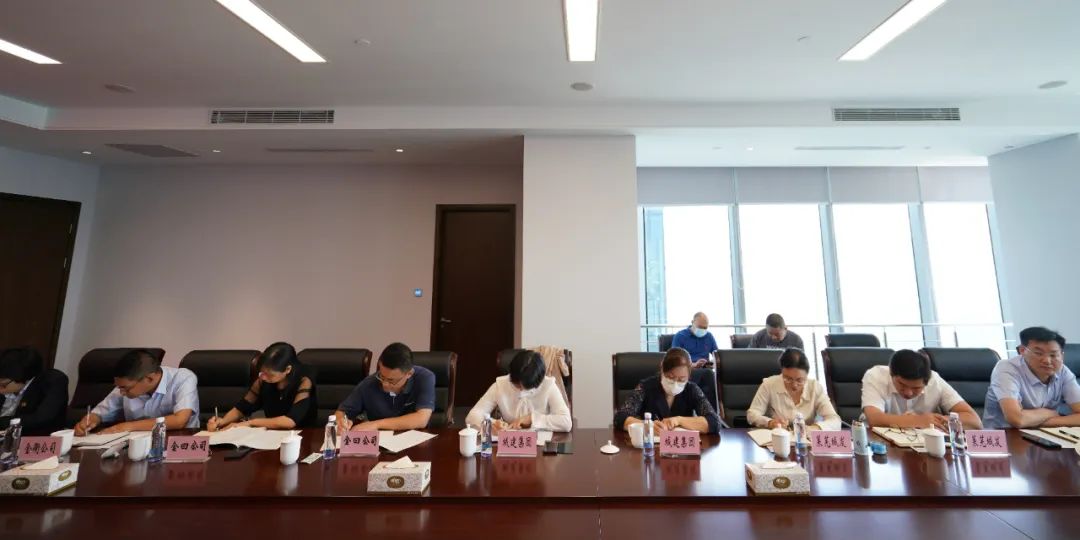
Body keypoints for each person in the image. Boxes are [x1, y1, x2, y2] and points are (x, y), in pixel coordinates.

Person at [75, 349, 200, 435]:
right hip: (137, 445)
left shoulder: (182, 378)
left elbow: (180, 420)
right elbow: (99, 413)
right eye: (119, 388)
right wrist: (90, 420)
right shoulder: (126, 385)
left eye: (126, 388)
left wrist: (129, 426)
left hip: (177, 443)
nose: (121, 392)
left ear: (149, 378)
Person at [983, 327, 1080, 429]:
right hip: (1004, 434)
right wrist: (1050, 413)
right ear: (1022, 350)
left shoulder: (1062, 371)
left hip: (1044, 434)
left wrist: (1040, 421)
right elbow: (1017, 419)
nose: (1047, 361)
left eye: (1053, 355)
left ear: (1062, 356)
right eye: (1038, 353)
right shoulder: (1007, 368)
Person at [861, 349, 981, 430]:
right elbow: (874, 418)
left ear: (927, 381)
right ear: (891, 373)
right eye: (902, 384)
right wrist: (918, 421)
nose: (908, 393)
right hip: (880, 443)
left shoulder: (935, 380)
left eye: (916, 388)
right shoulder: (876, 376)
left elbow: (974, 421)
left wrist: (936, 421)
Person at [207, 342, 316, 431]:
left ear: (287, 369)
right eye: (262, 373)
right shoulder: (263, 380)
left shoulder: (304, 380)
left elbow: (290, 421)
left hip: (302, 435)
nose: (263, 377)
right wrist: (222, 421)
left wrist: (250, 423)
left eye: (270, 375)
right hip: (271, 434)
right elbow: (242, 407)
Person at [614, 347, 721, 434]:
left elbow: (714, 422)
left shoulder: (691, 389)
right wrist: (647, 425)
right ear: (662, 369)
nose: (675, 383)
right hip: (651, 447)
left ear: (689, 376)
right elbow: (620, 418)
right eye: (670, 377)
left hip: (681, 449)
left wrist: (679, 420)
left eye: (681, 379)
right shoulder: (646, 387)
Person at [336, 342, 435, 431]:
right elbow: (341, 413)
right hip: (381, 441)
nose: (385, 384)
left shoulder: (424, 378)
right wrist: (341, 422)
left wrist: (376, 424)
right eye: (382, 376)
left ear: (409, 374)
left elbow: (422, 419)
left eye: (391, 380)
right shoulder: (369, 383)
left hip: (415, 439)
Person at [466, 350, 572, 433]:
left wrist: (532, 419)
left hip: (541, 446)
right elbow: (472, 416)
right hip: (510, 444)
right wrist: (491, 423)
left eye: (527, 387)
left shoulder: (548, 385)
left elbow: (566, 422)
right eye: (517, 385)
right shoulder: (501, 385)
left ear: (539, 381)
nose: (521, 390)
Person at [747, 348, 841, 430]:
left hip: (806, 439)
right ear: (782, 371)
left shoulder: (814, 387)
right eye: (788, 379)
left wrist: (816, 428)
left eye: (800, 380)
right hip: (778, 438)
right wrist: (770, 423)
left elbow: (834, 420)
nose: (794, 385)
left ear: (806, 375)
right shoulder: (769, 384)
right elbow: (752, 414)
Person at [0, 347, 69, 436]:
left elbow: (41, 418)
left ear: (20, 377)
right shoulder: (8, 383)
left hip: (36, 438)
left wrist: (2, 422)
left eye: (3, 385)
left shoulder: (54, 381)